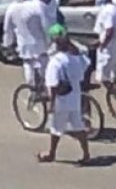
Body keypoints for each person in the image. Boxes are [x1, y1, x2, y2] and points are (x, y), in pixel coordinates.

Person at [38, 24, 92, 164]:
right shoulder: (75, 58)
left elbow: (53, 85)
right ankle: (86, 153)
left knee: (56, 128)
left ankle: (51, 153)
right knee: (78, 126)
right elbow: (85, 68)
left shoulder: (55, 63)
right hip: (75, 97)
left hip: (62, 101)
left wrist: (51, 103)